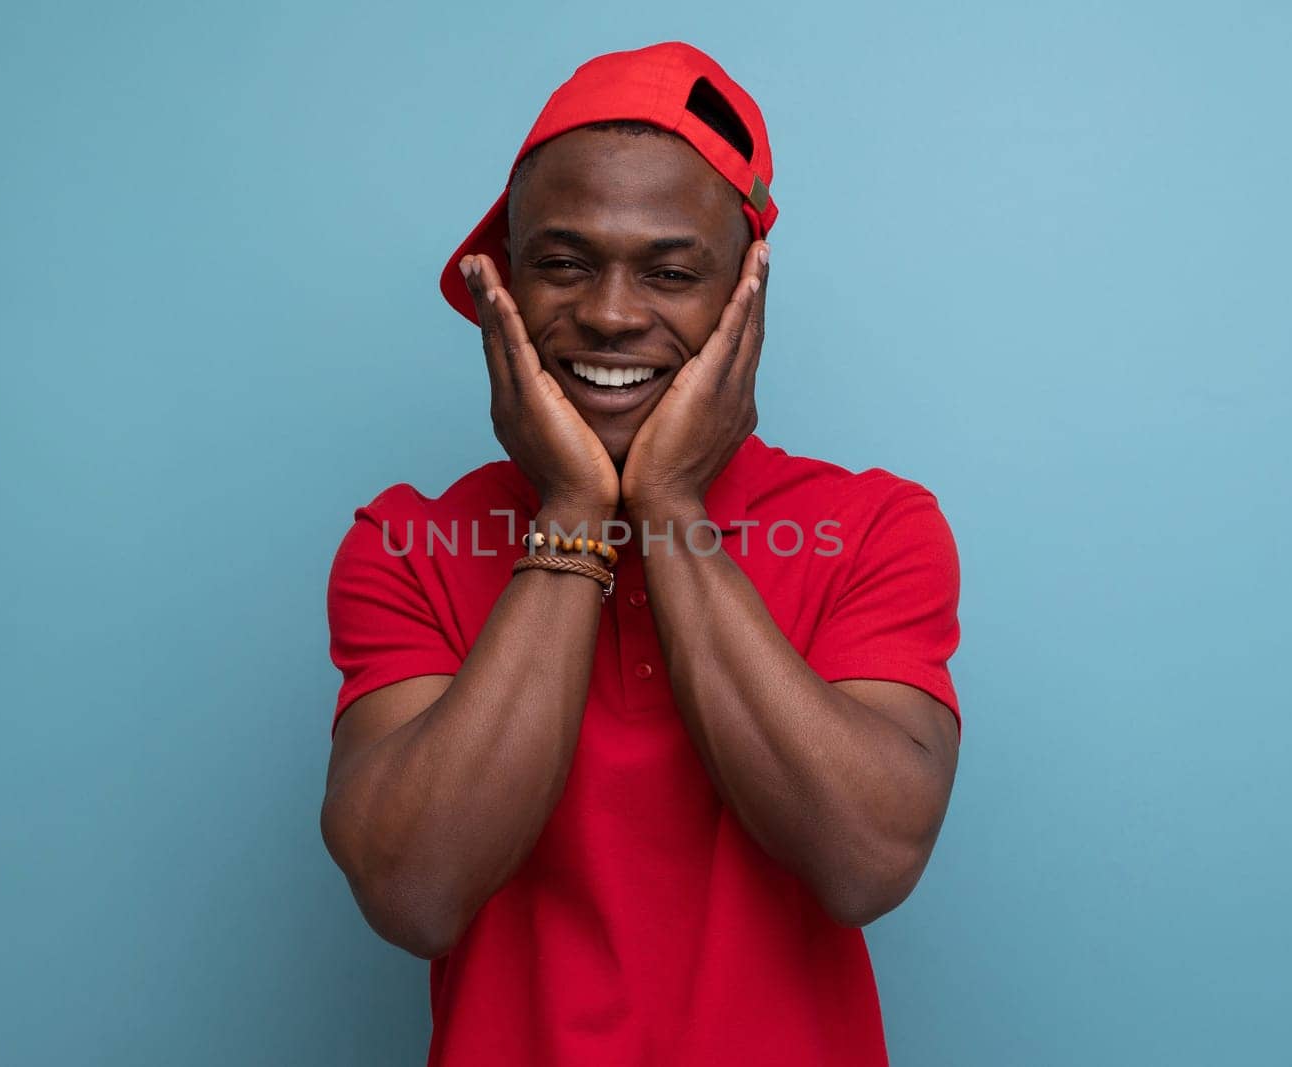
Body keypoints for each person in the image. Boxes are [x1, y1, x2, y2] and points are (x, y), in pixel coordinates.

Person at [321, 41, 962, 1066]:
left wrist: (667, 508)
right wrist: (575, 511)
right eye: (564, 263)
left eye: (669, 271)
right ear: (506, 286)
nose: (612, 314)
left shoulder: (874, 527)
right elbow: (414, 893)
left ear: (744, 294)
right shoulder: (408, 544)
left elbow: (866, 861)